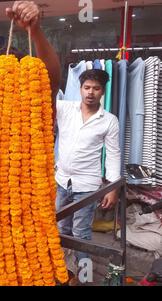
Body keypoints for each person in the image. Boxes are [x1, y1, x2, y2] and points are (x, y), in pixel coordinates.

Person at [55, 69, 120, 264]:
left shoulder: (109, 120)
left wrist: (112, 188)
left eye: (96, 88)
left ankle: (84, 276)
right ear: (80, 88)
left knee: (81, 233)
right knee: (60, 229)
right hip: (62, 180)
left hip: (87, 186)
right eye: (87, 87)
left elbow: (113, 154)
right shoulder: (64, 108)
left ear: (103, 91)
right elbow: (42, 99)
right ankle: (63, 271)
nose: (90, 92)